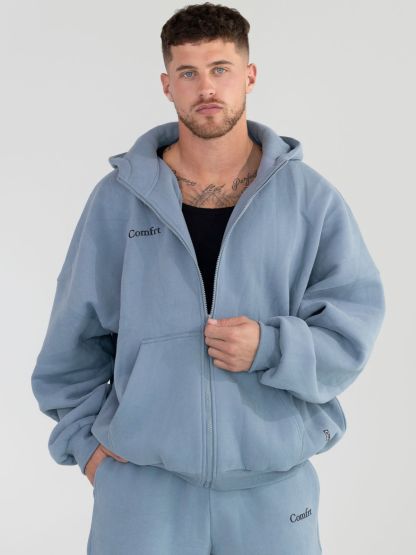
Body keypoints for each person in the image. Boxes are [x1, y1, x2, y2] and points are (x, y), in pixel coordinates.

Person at [31, 3, 386, 554]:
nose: (206, 89)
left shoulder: (310, 199)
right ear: (166, 85)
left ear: (249, 75)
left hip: (273, 488)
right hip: (143, 491)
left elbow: (352, 329)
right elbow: (72, 341)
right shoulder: (118, 201)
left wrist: (270, 345)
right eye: (188, 73)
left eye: (221, 69)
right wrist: (88, 449)